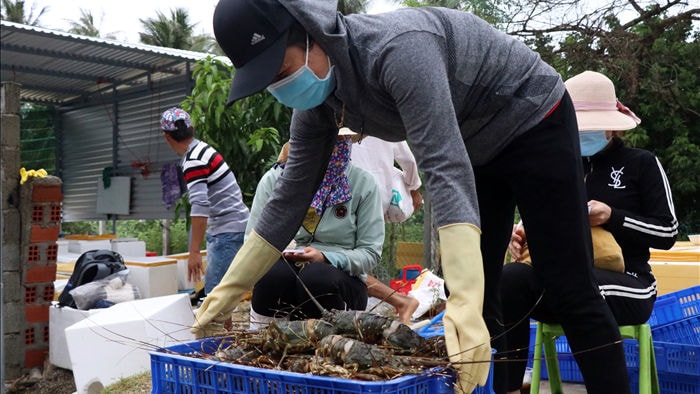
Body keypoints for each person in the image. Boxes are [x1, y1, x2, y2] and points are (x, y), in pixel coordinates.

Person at [196, 2, 631, 392]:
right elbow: (289, 197)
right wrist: (230, 287)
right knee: (483, 291)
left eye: (281, 70)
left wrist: (459, 296)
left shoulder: (400, 50)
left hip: (533, 117)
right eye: (267, 80)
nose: (279, 86)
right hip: (474, 143)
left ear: (311, 34)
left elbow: (443, 165)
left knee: (567, 283)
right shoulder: (318, 105)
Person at [498, 71, 678, 393]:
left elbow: (668, 232)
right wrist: (522, 235)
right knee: (510, 280)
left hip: (628, 284)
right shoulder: (557, 169)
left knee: (584, 288)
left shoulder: (642, 164)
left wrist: (613, 217)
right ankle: (509, 388)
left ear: (611, 124)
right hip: (561, 283)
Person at [245, 132, 384, 327]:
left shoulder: (363, 184)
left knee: (316, 276)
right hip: (284, 274)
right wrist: (280, 251)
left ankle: (329, 342)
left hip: (340, 282)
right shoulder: (276, 180)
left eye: (336, 142)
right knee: (272, 275)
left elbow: (370, 253)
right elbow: (252, 243)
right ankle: (268, 338)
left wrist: (327, 257)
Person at [159, 107, 250, 301]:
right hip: (234, 227)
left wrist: (194, 253)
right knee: (224, 297)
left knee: (214, 298)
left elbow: (200, 206)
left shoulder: (193, 160)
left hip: (228, 232)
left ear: (167, 137)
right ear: (191, 128)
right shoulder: (203, 149)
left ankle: (218, 332)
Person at [351, 134, 423, 324]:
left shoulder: (337, 116)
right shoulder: (380, 116)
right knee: (354, 261)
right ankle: (400, 301)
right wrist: (414, 188)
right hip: (379, 199)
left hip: (350, 198)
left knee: (343, 261)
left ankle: (400, 301)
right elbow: (408, 161)